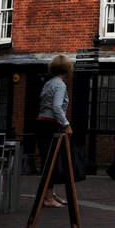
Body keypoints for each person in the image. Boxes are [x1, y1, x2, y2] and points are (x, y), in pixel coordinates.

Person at [36, 54, 75, 207]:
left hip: (43, 124)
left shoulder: (49, 83)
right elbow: (57, 107)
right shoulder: (60, 85)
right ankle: (47, 198)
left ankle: (50, 193)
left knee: (49, 161)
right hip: (49, 125)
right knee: (50, 162)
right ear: (67, 69)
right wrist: (66, 124)